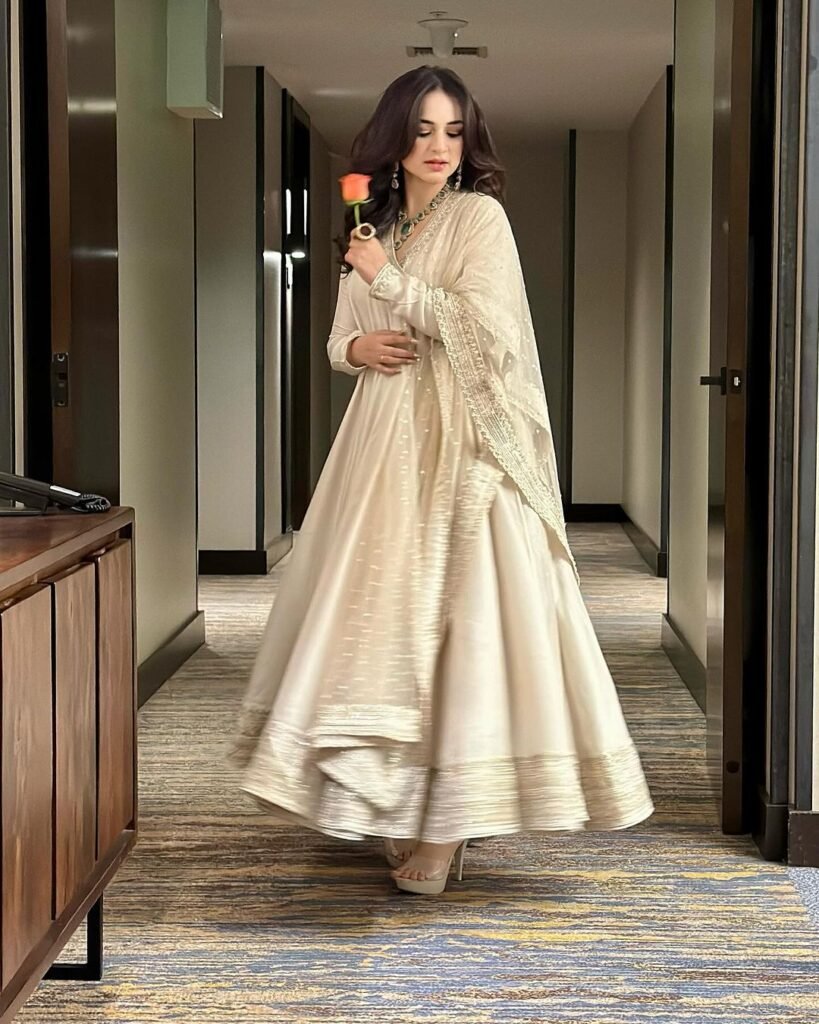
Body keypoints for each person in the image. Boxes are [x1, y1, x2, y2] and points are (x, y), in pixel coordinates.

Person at [230, 65, 654, 896]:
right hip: (380, 441)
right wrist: (357, 344)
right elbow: (337, 341)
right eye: (421, 130)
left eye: (453, 131)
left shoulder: (479, 218)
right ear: (393, 140)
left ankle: (448, 820)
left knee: (467, 621)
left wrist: (388, 280)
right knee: (376, 618)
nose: (437, 147)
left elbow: (487, 329)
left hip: (465, 444)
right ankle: (394, 801)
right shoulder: (372, 224)